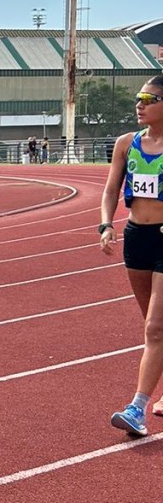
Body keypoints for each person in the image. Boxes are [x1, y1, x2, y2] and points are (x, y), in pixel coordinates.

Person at [100, 77, 163, 436]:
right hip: (137, 237)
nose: (139, 104)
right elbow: (111, 188)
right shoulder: (127, 144)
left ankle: (136, 408)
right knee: (152, 325)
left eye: (148, 98)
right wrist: (106, 224)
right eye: (137, 98)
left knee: (156, 327)